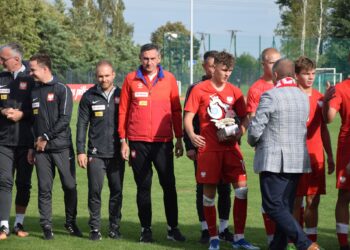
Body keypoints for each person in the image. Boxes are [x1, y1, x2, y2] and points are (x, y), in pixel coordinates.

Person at [184, 51, 259, 250]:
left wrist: (239, 132)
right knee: (209, 194)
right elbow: (188, 117)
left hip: (231, 150)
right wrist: (192, 136)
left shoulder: (235, 91)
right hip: (209, 151)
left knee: (242, 190)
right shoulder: (199, 89)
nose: (227, 74)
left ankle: (239, 238)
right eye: (224, 70)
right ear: (214, 67)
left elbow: (245, 117)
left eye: (230, 71)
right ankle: (213, 238)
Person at [247, 58, 320, 250]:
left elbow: (255, 130)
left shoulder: (271, 95)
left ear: (276, 75)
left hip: (274, 160)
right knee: (284, 207)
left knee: (272, 206)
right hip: (297, 160)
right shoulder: (303, 97)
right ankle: (278, 247)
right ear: (294, 75)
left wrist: (252, 140)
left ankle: (305, 244)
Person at [118, 43, 186, 243]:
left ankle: (173, 228)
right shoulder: (130, 79)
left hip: (163, 142)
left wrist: (180, 138)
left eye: (152, 58)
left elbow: (176, 111)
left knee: (169, 186)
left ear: (159, 59)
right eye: (145, 58)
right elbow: (123, 111)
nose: (149, 62)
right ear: (140, 58)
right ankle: (145, 229)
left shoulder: (170, 79)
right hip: (138, 142)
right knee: (143, 187)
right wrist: (124, 141)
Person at [27, 54, 82, 240]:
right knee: (44, 188)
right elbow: (32, 123)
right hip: (41, 151)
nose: (30, 72)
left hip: (61, 148)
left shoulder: (62, 89)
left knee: (70, 186)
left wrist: (46, 137)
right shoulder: (33, 91)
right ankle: (46, 226)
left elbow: (65, 120)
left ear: (45, 69)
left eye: (33, 69)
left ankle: (70, 222)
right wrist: (31, 146)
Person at [183, 50, 233, 244]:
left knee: (225, 188)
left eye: (217, 66)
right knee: (203, 187)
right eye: (211, 66)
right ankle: (206, 228)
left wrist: (233, 137)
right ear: (205, 66)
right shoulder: (196, 88)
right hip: (203, 147)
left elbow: (233, 115)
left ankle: (224, 228)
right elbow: (188, 118)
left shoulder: (228, 88)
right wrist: (190, 144)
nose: (215, 69)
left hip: (225, 147)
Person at [76, 60, 125, 241]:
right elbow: (81, 124)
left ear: (113, 75)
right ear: (96, 76)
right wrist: (81, 151)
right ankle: (95, 228)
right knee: (94, 192)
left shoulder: (122, 95)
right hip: (95, 154)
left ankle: (114, 227)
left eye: (106, 75)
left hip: (117, 153)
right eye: (100, 76)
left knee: (117, 192)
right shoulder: (89, 96)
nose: (103, 79)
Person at [290, 56, 335, 247]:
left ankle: (312, 241)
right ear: (296, 75)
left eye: (312, 73)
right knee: (296, 200)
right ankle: (296, 240)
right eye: (306, 74)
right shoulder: (290, 95)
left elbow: (324, 128)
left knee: (313, 200)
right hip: (296, 156)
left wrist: (330, 156)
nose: (310, 77)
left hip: (316, 156)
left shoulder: (319, 97)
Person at [246, 47, 281, 244]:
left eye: (278, 61)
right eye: (270, 62)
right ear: (263, 64)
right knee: (268, 197)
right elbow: (252, 120)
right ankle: (271, 240)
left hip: (287, 148)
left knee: (290, 198)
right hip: (268, 149)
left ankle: (288, 238)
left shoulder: (288, 85)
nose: (275, 65)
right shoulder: (256, 89)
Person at [0, 43, 34, 240]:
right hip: (3, 140)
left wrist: (23, 114)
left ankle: (18, 222)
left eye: (4, 59)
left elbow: (39, 110)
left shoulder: (32, 78)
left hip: (26, 141)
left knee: (23, 183)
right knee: (4, 181)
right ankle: (3, 225)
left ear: (17, 60)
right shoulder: (1, 78)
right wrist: (3, 110)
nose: (1, 62)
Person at [323, 52, 350, 250]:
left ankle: (343, 244)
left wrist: (327, 101)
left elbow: (329, 117)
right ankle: (343, 244)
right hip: (347, 148)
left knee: (344, 197)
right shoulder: (340, 89)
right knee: (344, 196)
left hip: (346, 148)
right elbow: (329, 118)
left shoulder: (339, 89)